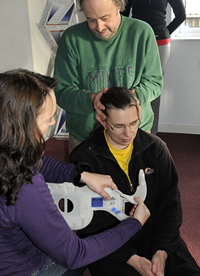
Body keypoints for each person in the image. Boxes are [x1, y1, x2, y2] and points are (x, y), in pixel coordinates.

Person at [0, 69, 150, 276]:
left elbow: (38, 163)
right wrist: (134, 224)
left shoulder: (8, 153)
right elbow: (75, 254)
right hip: (21, 269)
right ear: (25, 125)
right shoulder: (25, 187)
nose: (53, 123)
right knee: (79, 260)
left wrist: (80, 174)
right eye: (48, 118)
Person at [71, 87, 200, 276]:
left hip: (156, 234)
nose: (128, 133)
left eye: (133, 123)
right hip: (111, 245)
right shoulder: (84, 158)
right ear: (103, 120)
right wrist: (132, 259)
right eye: (118, 126)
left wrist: (162, 251)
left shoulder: (156, 148)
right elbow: (89, 226)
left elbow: (170, 204)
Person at [54, 0, 163, 154]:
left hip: (133, 133)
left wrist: (133, 99)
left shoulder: (142, 33)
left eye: (105, 18)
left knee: (138, 181)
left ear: (119, 6)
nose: (99, 27)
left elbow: (155, 82)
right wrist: (91, 100)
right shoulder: (71, 38)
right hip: (86, 136)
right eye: (91, 20)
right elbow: (61, 92)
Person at [121, 0, 186, 134]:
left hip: (160, 44)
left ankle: (152, 133)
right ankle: (135, 128)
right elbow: (123, 16)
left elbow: (181, 15)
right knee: (134, 84)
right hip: (136, 42)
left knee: (153, 88)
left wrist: (165, 31)